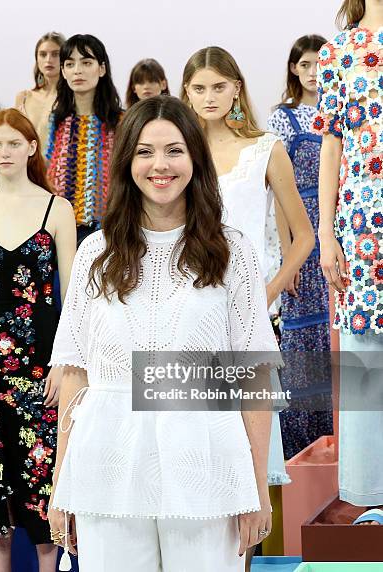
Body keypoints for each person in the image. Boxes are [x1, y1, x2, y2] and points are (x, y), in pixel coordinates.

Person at [47, 96, 280, 572]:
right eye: (145, 152)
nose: (160, 165)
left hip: (207, 462)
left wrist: (257, 485)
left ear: (194, 157)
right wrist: (61, 482)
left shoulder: (232, 252)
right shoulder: (96, 251)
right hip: (106, 464)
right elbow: (75, 374)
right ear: (127, 161)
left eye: (174, 150)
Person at [182, 46, 315, 568]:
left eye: (220, 86)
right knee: (191, 441)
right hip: (185, 314)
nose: (210, 97)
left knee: (246, 448)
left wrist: (267, 292)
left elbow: (302, 236)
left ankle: (241, 561)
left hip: (245, 318)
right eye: (200, 88)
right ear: (186, 92)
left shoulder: (265, 149)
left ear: (236, 88)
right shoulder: (177, 153)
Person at [0, 109, 76, 571]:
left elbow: (75, 292)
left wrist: (66, 363)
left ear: (31, 147)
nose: (4, 152)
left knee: (42, 464)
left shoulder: (56, 208)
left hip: (43, 356)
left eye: (12, 143)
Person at [314, 0, 383, 526]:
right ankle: (371, 495)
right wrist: (325, 229)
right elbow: (332, 143)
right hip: (360, 220)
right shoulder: (338, 49)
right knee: (364, 359)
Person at [267, 35, 333, 460]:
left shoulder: (336, 111)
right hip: (299, 230)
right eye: (304, 63)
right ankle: (301, 451)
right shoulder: (282, 118)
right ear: (294, 68)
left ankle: (337, 440)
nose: (311, 71)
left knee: (333, 336)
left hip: (337, 227)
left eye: (318, 63)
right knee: (302, 337)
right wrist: (287, 258)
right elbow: (277, 195)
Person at [46, 34, 123, 243]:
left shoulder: (121, 122)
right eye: (70, 64)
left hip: (109, 231)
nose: (77, 70)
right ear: (63, 71)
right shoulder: (56, 122)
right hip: (60, 233)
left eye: (86, 62)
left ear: (102, 68)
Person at [15, 32, 66, 146]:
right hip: (26, 163)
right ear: (37, 59)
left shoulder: (72, 98)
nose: (49, 59)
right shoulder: (23, 97)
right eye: (43, 54)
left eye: (55, 54)